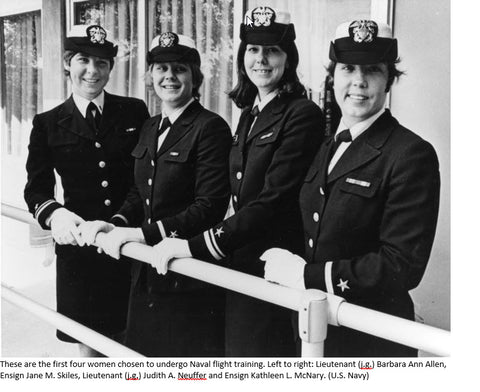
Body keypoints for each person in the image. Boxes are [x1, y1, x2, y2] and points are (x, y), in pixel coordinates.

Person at [260, 19, 441, 357]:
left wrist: (307, 276)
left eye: (372, 69)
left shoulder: (410, 154)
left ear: (390, 80)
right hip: (314, 330)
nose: (358, 81)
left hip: (370, 339)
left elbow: (401, 266)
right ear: (333, 76)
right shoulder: (327, 146)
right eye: (347, 69)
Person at [152, 7, 324, 357]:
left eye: (272, 50)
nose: (261, 59)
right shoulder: (251, 113)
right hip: (240, 259)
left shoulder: (302, 113)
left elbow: (272, 201)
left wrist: (194, 245)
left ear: (288, 58)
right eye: (253, 49)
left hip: (272, 263)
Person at [79, 32, 231, 357]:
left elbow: (210, 206)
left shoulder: (210, 127)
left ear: (195, 76)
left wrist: (139, 233)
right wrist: (116, 223)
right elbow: (140, 191)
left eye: (179, 69)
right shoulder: (150, 126)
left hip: (188, 278)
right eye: (161, 69)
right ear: (150, 76)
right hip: (145, 274)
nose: (169, 77)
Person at [23, 25, 150, 356]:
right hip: (79, 251)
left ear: (110, 67)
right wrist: (55, 214)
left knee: (130, 343)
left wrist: (122, 222)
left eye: (102, 63)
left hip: (127, 243)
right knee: (89, 350)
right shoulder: (48, 122)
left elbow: (145, 179)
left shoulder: (134, 111)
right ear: (68, 62)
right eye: (83, 60)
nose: (92, 71)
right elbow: (36, 188)